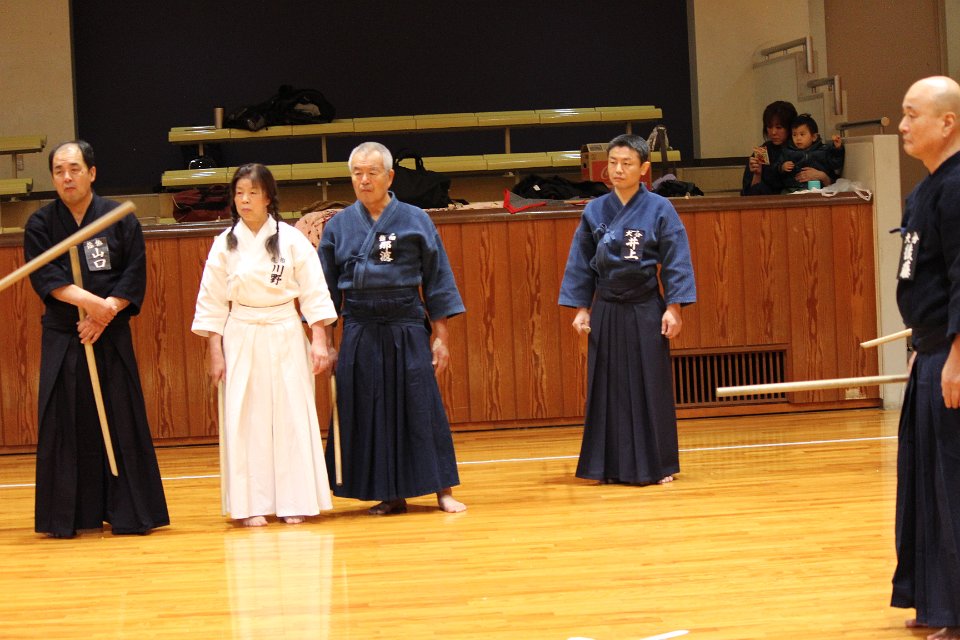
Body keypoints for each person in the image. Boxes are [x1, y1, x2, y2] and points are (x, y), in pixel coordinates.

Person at [23, 140, 169, 538]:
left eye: (74, 169)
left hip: (111, 332)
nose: (66, 177)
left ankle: (130, 513)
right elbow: (46, 277)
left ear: (91, 172)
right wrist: (91, 305)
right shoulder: (41, 224)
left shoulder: (117, 218)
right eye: (58, 171)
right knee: (64, 421)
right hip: (64, 334)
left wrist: (106, 312)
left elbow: (134, 271)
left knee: (121, 417)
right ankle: (67, 516)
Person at [318, 141, 466, 515]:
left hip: (406, 323)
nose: (364, 180)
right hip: (360, 326)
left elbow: (438, 280)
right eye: (357, 173)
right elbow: (325, 292)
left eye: (372, 172)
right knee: (369, 409)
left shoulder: (416, 219)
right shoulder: (338, 225)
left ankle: (442, 489)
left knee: (421, 404)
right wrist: (326, 343)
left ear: (390, 176)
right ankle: (390, 495)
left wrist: (441, 338)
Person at [192, 163, 338, 527]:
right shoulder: (224, 244)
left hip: (285, 327)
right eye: (239, 193)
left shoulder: (291, 239)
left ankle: (295, 499)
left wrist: (319, 340)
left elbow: (314, 291)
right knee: (247, 417)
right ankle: (249, 503)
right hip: (241, 331)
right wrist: (214, 350)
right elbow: (211, 301)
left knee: (291, 412)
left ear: (268, 197)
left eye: (252, 193)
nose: (244, 200)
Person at [558, 134, 696, 485]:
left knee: (652, 383)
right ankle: (606, 465)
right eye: (613, 163)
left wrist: (674, 308)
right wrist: (581, 308)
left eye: (627, 163)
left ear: (644, 168)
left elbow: (676, 260)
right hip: (606, 305)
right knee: (606, 385)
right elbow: (580, 263)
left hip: (645, 304)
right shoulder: (595, 210)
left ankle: (659, 464)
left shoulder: (660, 209)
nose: (618, 170)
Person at [891, 75, 960, 640]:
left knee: (952, 482)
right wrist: (921, 347)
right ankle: (937, 601)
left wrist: (958, 354)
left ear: (948, 122)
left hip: (954, 354)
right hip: (930, 349)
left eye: (913, 115)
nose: (902, 125)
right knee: (925, 481)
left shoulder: (958, 188)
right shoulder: (925, 191)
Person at [775, 113, 844, 191]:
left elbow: (836, 163)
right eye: (794, 135)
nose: (798, 138)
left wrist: (837, 149)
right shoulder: (788, 151)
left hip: (818, 188)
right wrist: (782, 167)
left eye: (802, 134)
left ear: (814, 137)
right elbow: (777, 168)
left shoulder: (823, 150)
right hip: (792, 188)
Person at [741, 100, 798, 195]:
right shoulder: (762, 151)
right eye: (769, 127)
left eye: (779, 127)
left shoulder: (799, 149)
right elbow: (748, 195)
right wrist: (757, 174)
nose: (773, 132)